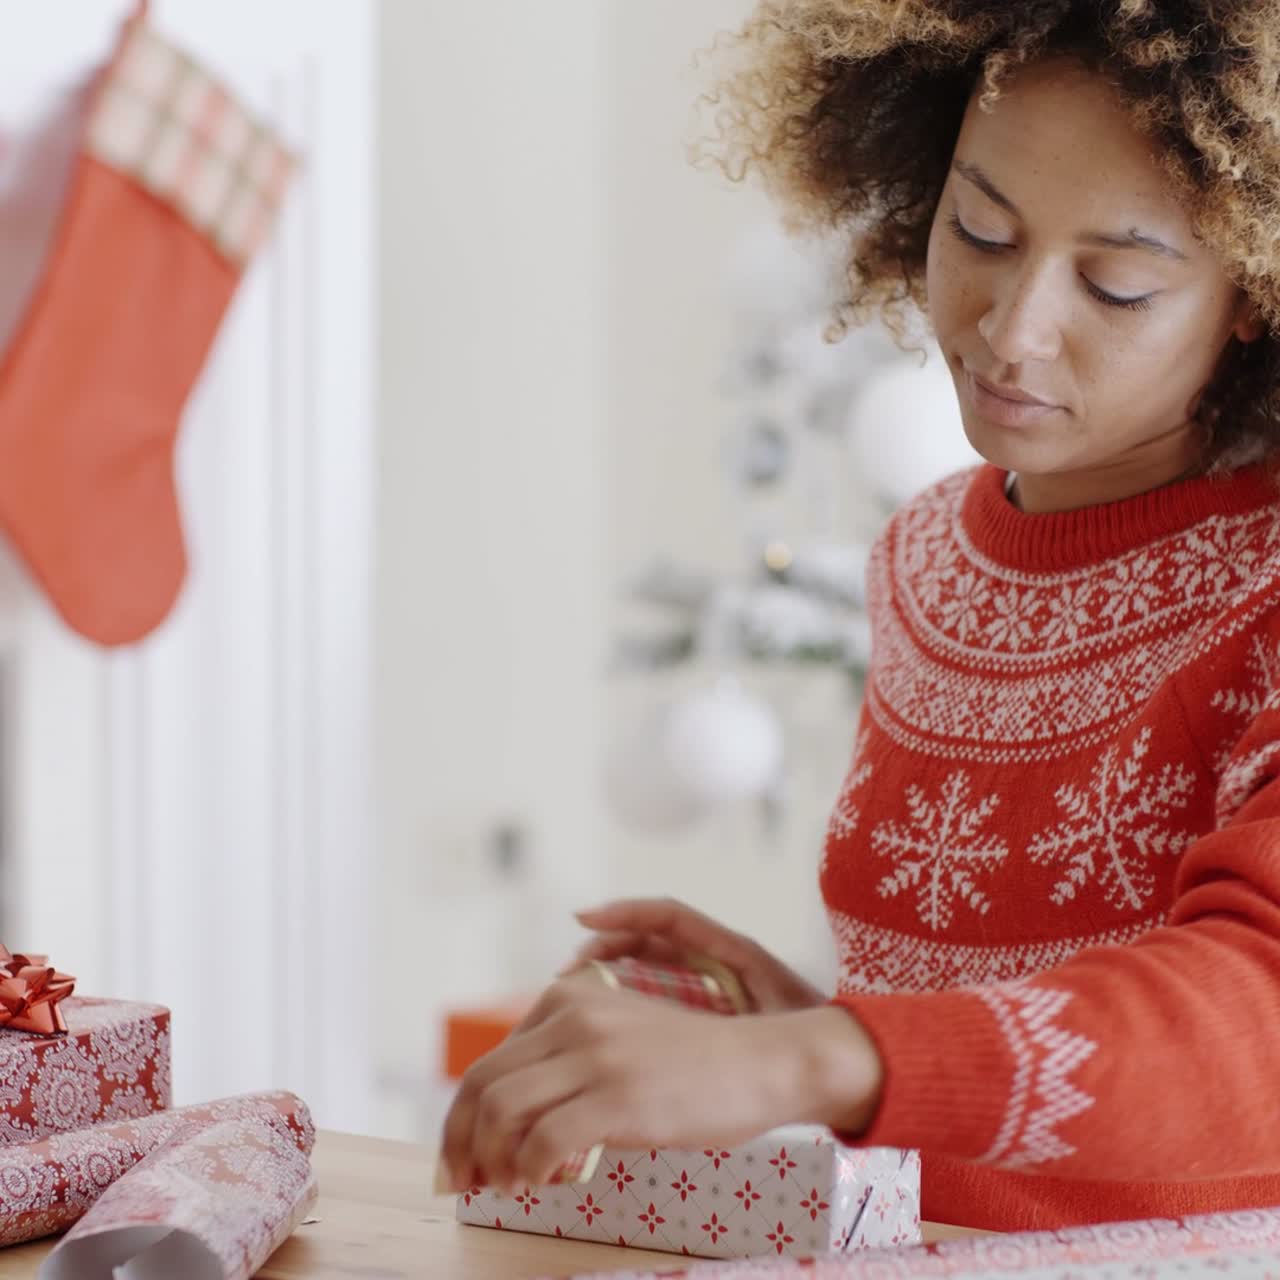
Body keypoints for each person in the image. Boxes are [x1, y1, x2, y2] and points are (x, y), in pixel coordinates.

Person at [440, 0, 1280, 1232]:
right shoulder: (923, 555)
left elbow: (1252, 1015)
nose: (1011, 325)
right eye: (977, 228)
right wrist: (783, 1015)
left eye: (1113, 283)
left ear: (1250, 293)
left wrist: (806, 1059)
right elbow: (984, 1040)